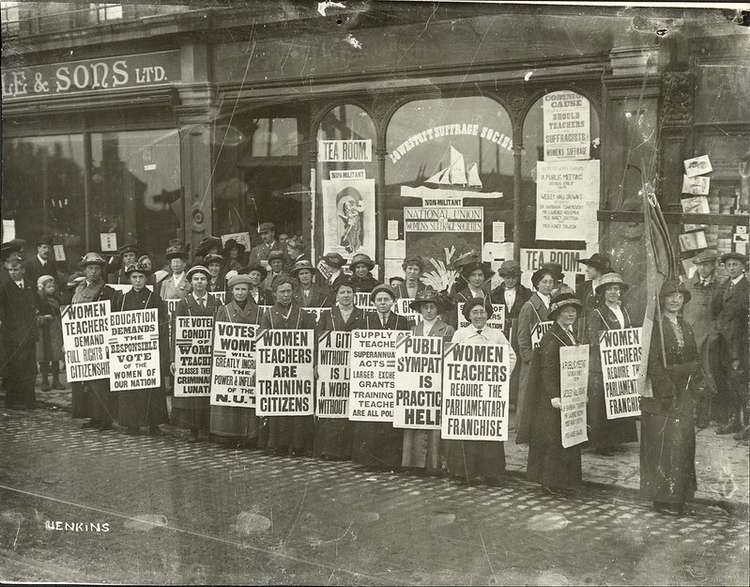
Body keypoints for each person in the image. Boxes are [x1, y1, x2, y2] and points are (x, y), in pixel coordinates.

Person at [642, 280, 701, 515]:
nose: (675, 300)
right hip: (662, 397)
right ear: (662, 300)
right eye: (670, 296)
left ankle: (679, 495)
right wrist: (666, 388)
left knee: (682, 445)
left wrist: (690, 375)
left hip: (683, 394)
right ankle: (662, 497)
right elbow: (653, 364)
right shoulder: (655, 328)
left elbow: (695, 358)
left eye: (679, 296)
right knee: (663, 446)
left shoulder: (686, 326)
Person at [443, 298, 516, 485]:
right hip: (467, 392)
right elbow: (450, 358)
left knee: (488, 431)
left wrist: (501, 375)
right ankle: (464, 472)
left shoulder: (497, 335)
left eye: (482, 312)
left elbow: (511, 356)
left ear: (488, 314)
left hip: (490, 392)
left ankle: (491, 472)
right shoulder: (460, 334)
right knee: (467, 429)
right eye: (474, 312)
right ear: (468, 315)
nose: (479, 315)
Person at [526, 292, 584, 495]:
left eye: (573, 311)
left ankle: (565, 481)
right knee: (553, 440)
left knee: (567, 438)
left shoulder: (570, 333)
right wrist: (553, 396)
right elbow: (547, 369)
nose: (571, 314)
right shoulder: (551, 336)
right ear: (557, 314)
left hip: (568, 393)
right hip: (553, 398)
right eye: (566, 311)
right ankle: (549, 481)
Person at [351, 284, 409, 470]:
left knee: (390, 418)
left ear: (393, 301)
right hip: (371, 380)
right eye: (379, 300)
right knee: (371, 419)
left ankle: (390, 460)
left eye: (386, 299)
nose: (383, 303)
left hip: (392, 377)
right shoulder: (364, 321)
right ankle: (369, 460)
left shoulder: (402, 321)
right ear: (374, 302)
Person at [258, 277, 316, 456]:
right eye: (281, 292)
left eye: (288, 291)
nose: (285, 295)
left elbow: (312, 341)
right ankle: (279, 444)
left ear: (293, 293)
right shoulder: (268, 314)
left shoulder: (302, 314)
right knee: (279, 405)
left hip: (299, 369)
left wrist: (313, 364)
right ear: (275, 293)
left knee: (297, 405)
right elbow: (262, 341)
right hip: (277, 370)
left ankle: (298, 445)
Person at [111, 262, 169, 436]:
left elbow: (163, 325)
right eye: (134, 277)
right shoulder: (122, 299)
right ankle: (132, 423)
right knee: (131, 386)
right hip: (129, 352)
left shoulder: (155, 299)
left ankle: (153, 423)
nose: (137, 281)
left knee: (151, 387)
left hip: (149, 350)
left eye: (141, 277)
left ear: (146, 279)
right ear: (129, 279)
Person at [401, 289, 454, 475]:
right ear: (420, 310)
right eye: (425, 307)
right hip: (416, 382)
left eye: (432, 307)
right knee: (415, 419)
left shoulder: (447, 329)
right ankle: (413, 463)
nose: (429, 311)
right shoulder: (413, 330)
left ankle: (433, 463)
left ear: (438, 309)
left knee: (433, 422)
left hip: (436, 381)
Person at [585, 272, 638, 455]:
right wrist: (612, 345)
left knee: (617, 401)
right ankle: (601, 443)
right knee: (601, 405)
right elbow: (593, 339)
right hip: (601, 365)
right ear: (603, 293)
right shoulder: (597, 313)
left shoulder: (624, 311)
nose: (614, 293)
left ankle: (616, 440)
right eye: (610, 289)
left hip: (619, 363)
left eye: (617, 289)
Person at [210, 273, 262, 448]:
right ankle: (228, 434)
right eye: (237, 289)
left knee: (248, 396)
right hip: (229, 364)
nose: (240, 293)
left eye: (244, 289)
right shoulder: (223, 311)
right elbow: (217, 338)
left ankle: (248, 435)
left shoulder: (259, 311)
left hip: (249, 363)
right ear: (232, 291)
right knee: (230, 394)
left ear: (249, 291)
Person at [314, 278, 365, 460]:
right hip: (331, 370)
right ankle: (330, 449)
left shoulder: (363, 315)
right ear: (336, 295)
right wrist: (317, 364)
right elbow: (317, 340)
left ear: (354, 295)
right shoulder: (328, 315)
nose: (346, 296)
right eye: (342, 292)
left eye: (349, 292)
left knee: (350, 406)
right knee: (332, 406)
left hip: (354, 368)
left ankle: (348, 450)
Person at [171, 265, 219, 442]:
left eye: (203, 279)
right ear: (191, 282)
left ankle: (206, 428)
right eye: (196, 279)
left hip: (209, 354)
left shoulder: (216, 303)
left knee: (207, 390)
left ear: (208, 281)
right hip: (190, 355)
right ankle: (193, 430)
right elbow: (176, 332)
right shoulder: (184, 303)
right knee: (192, 391)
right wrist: (173, 358)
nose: (200, 282)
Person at [70, 252, 117, 428]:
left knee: (100, 381)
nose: (93, 272)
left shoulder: (105, 291)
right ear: (84, 270)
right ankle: (92, 416)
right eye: (90, 268)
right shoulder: (79, 288)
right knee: (86, 381)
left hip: (98, 341)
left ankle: (104, 418)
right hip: (81, 341)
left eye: (97, 268)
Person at [515, 267, 556, 441]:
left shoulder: (554, 303)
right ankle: (523, 430)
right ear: (536, 284)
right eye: (544, 282)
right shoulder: (529, 306)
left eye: (551, 282)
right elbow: (522, 336)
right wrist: (528, 357)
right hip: (533, 359)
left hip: (549, 357)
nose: (548, 285)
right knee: (528, 394)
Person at [711, 252, 749, 439]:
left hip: (740, 345)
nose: (732, 268)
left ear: (743, 267)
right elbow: (715, 310)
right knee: (729, 383)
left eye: (735, 264)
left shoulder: (747, 288)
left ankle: (748, 425)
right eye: (729, 265)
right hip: (723, 342)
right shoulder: (724, 286)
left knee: (742, 384)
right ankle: (734, 421)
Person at [683, 249, 721, 429]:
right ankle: (689, 412)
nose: (704, 269)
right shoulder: (688, 285)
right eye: (700, 265)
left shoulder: (719, 286)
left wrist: (714, 333)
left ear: (713, 266)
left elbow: (721, 314)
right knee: (689, 374)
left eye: (707, 265)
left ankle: (704, 414)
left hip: (710, 340)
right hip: (691, 337)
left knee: (706, 375)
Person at [490, 260, 531, 411]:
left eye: (513, 277)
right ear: (502, 277)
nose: (510, 280)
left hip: (518, 333)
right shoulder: (494, 294)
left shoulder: (526, 293)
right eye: (507, 277)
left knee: (516, 362)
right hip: (500, 334)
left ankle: (513, 398)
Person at [0, 253, 38, 410]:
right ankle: (13, 401)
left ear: (23, 270)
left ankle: (29, 401)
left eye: (16, 270)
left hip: (29, 334)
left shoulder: (30, 285)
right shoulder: (4, 289)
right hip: (13, 335)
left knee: (30, 367)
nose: (12, 273)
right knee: (15, 367)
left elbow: (37, 305)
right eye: (10, 270)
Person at [35, 274, 65, 392]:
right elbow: (34, 314)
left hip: (55, 330)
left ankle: (56, 380)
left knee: (56, 356)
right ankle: (44, 381)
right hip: (43, 331)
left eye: (53, 286)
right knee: (44, 356)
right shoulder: (38, 300)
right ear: (42, 287)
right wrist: (42, 318)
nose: (52, 288)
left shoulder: (57, 299)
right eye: (48, 286)